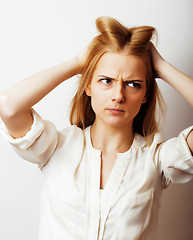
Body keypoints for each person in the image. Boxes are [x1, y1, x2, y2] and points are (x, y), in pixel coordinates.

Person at [0, 16, 193, 240]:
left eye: (133, 84)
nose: (118, 96)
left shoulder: (157, 159)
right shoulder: (56, 147)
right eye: (106, 80)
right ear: (88, 85)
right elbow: (9, 106)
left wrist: (161, 67)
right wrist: (78, 62)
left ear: (145, 95)